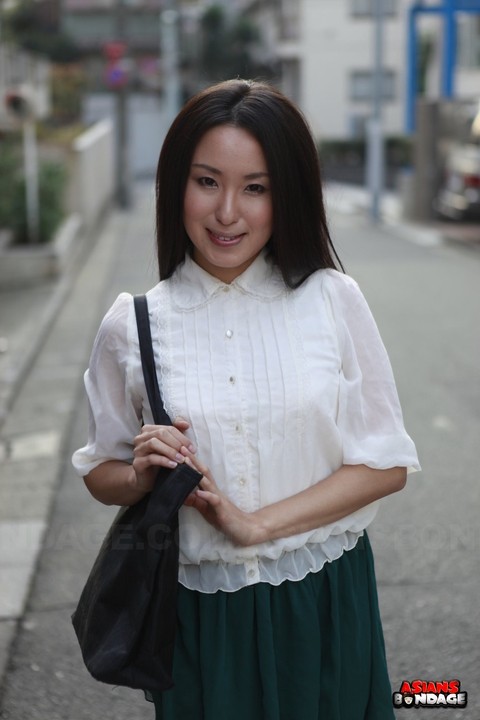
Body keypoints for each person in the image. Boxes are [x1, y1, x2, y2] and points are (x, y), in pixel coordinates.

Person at [72, 78, 420, 720]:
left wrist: (259, 526)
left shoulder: (332, 300)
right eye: (207, 181)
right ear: (175, 183)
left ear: (286, 195)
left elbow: (384, 462)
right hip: (200, 611)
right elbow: (102, 471)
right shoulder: (134, 323)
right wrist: (141, 474)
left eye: (255, 188)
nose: (227, 211)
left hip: (323, 593)